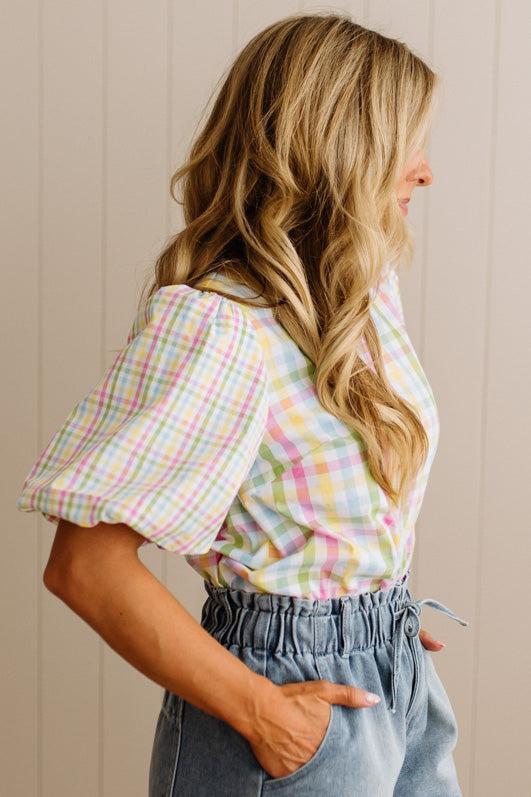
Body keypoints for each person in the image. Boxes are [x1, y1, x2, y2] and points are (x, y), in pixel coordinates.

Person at [16, 12, 470, 796]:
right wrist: (267, 713)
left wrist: (367, 613)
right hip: (294, 722)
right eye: (408, 144)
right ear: (339, 149)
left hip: (394, 684)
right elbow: (84, 566)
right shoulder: (217, 325)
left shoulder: (362, 298)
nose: (425, 172)